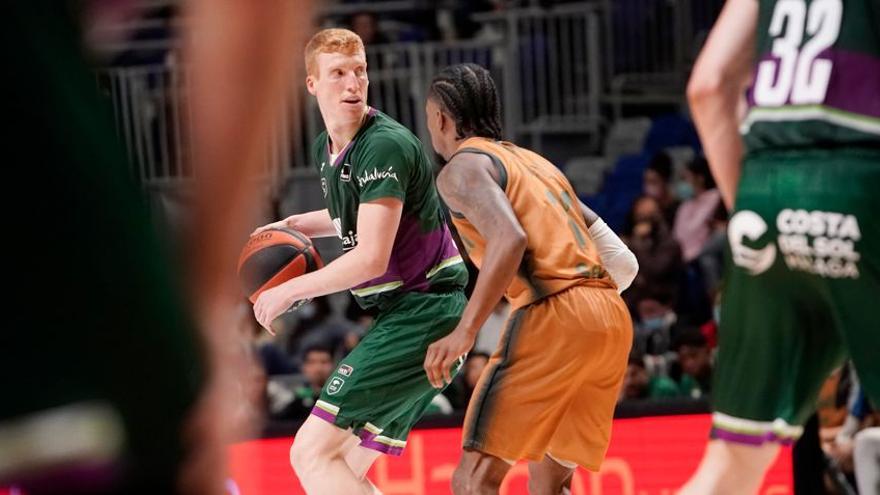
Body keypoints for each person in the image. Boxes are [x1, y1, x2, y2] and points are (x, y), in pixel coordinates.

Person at [250, 29, 468, 494]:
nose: (353, 84)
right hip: (411, 317)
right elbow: (357, 210)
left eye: (360, 72)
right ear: (312, 84)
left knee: (309, 452)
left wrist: (287, 290)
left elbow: (370, 257)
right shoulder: (324, 149)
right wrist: (301, 224)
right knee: (341, 464)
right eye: (338, 74)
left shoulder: (384, 144)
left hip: (425, 313)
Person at [682, 0, 880, 492]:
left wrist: (759, 218)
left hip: (765, 189)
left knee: (732, 463)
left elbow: (707, 87)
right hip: (862, 176)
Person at [422, 63, 637, 494]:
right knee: (550, 485)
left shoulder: (461, 169)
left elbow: (509, 238)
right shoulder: (539, 165)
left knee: (473, 480)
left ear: (442, 119)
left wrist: (466, 331)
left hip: (552, 314)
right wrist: (587, 311)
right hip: (611, 320)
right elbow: (624, 262)